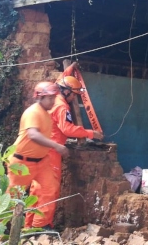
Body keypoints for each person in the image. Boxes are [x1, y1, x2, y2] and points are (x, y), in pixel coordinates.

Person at [27, 70, 104, 228]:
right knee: (50, 189)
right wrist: (91, 133)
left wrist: (71, 68)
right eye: (74, 94)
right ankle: (40, 227)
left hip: (40, 151)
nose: (74, 98)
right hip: (51, 152)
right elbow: (67, 129)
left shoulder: (51, 99)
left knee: (36, 189)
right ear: (66, 91)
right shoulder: (62, 106)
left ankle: (28, 226)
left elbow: (61, 79)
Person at [7, 82, 69, 229]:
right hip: (21, 162)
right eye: (50, 98)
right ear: (39, 97)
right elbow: (33, 134)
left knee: (50, 189)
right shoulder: (33, 112)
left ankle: (39, 227)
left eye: (54, 98)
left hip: (42, 162)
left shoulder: (46, 114)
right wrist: (56, 146)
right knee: (13, 197)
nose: (53, 101)